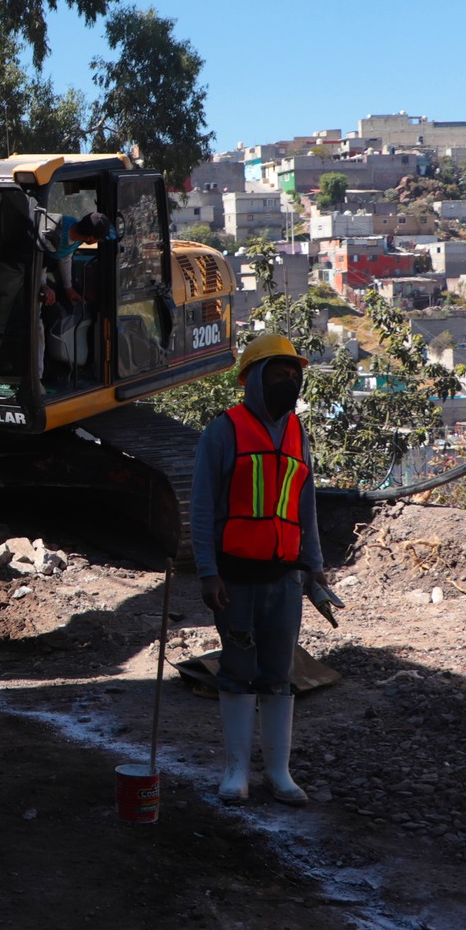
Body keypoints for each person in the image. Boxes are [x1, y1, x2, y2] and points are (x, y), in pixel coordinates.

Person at [190, 333, 328, 805]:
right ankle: (235, 772)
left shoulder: (298, 433)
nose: (290, 380)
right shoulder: (222, 431)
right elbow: (203, 508)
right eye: (280, 372)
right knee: (237, 670)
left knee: (278, 673)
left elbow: (304, 504)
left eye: (295, 373)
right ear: (253, 379)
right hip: (235, 578)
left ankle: (278, 773)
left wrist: (315, 569)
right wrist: (207, 572)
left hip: (285, 577)